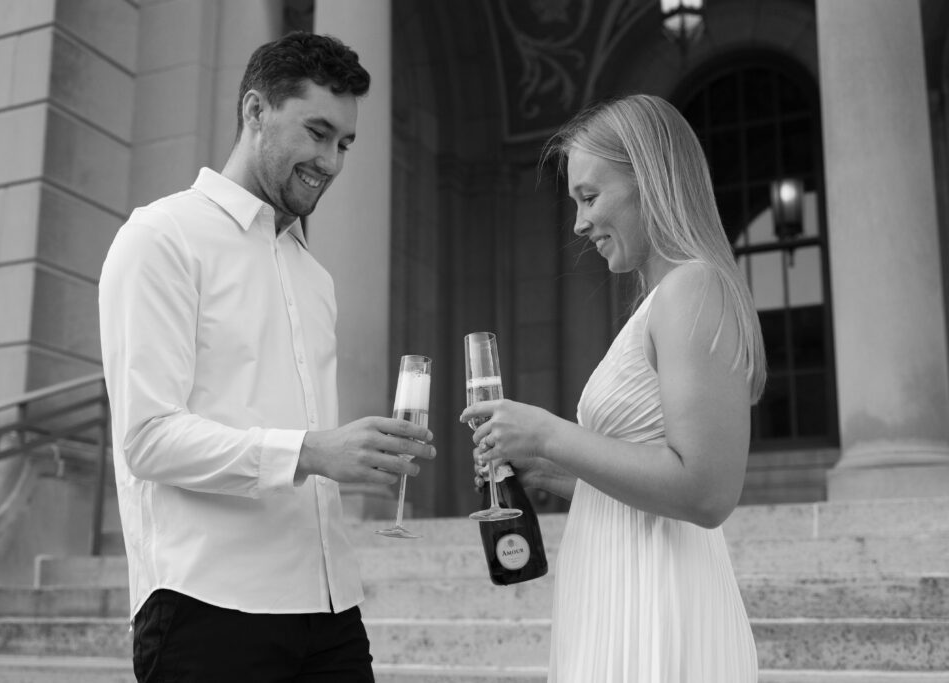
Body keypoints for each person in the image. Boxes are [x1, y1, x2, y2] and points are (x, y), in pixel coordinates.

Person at [98, 31, 434, 682]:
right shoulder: (161, 238)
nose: (332, 161)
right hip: (207, 609)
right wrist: (312, 451)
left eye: (343, 142)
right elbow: (147, 438)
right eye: (316, 131)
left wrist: (358, 461)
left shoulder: (315, 278)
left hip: (331, 608)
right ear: (255, 111)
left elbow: (304, 445)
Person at [461, 94, 766, 681]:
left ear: (648, 178)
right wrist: (545, 472)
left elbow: (705, 491)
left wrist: (549, 434)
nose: (578, 223)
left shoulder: (694, 287)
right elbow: (650, 485)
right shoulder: (663, 301)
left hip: (657, 602)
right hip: (621, 586)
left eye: (589, 197)